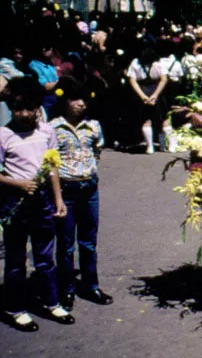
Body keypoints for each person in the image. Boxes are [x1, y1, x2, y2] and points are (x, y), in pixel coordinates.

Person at [0, 77, 73, 332]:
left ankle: (51, 302)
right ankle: (15, 308)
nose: (23, 114)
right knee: (16, 260)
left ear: (37, 107)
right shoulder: (4, 135)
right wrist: (17, 184)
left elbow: (52, 167)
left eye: (28, 108)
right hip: (15, 204)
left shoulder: (45, 132)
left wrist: (58, 199)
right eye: (17, 108)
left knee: (45, 257)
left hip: (42, 202)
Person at [50, 78, 113, 311]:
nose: (81, 104)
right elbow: (50, 163)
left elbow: (97, 151)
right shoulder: (53, 128)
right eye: (76, 99)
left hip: (89, 189)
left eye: (85, 100)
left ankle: (90, 285)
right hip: (66, 191)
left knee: (88, 242)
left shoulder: (93, 126)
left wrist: (88, 172)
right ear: (65, 101)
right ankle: (66, 289)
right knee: (66, 244)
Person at [126, 46, 168, 154]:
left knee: (146, 120)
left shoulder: (135, 62)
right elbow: (164, 79)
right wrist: (155, 95)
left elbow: (132, 80)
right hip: (157, 89)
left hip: (142, 90)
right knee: (163, 118)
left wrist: (142, 96)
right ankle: (165, 146)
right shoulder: (159, 62)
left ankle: (150, 147)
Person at [28, 41, 61, 120]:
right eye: (49, 49)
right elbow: (46, 87)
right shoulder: (34, 66)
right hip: (46, 102)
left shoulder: (49, 64)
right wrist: (62, 81)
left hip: (56, 99)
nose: (51, 51)